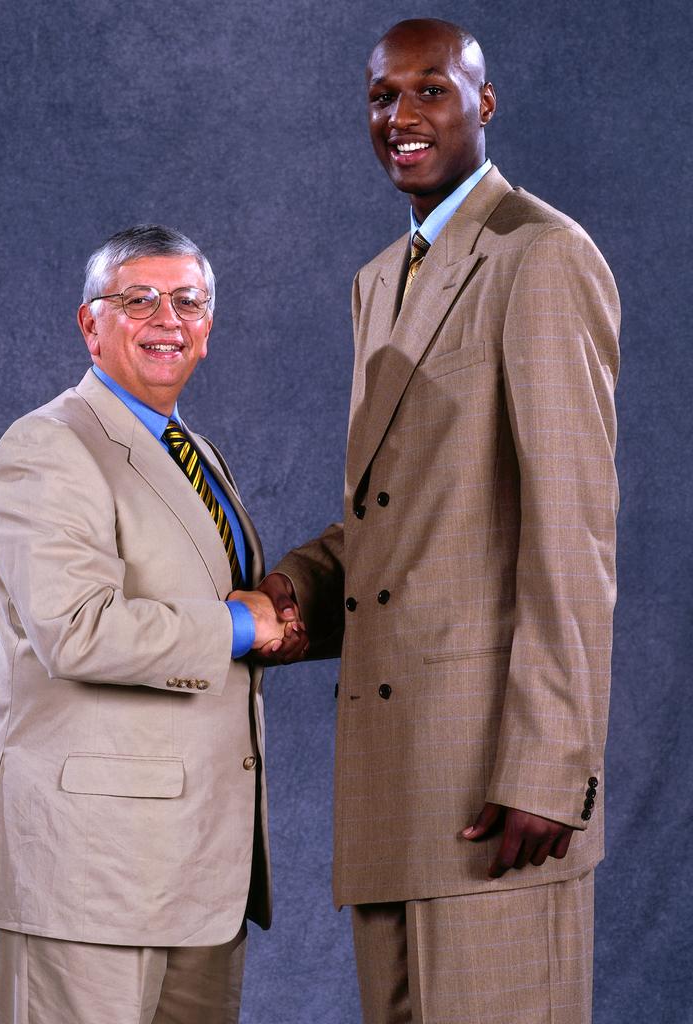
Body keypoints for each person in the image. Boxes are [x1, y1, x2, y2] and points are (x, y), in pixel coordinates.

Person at [258, 18, 620, 1024]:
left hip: (500, 790)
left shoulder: (539, 255)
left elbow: (571, 527)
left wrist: (552, 762)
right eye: (383, 96)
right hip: (394, 784)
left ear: (484, 105)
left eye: (432, 91)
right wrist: (298, 587)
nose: (402, 117)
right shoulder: (381, 280)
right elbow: (404, 517)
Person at [0, 224, 302, 1024]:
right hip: (89, 869)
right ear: (91, 324)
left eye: (188, 301)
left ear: (208, 328)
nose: (166, 319)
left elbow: (216, 613)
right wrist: (242, 629)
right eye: (137, 299)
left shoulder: (196, 452)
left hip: (198, 866)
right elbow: (77, 629)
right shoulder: (48, 445)